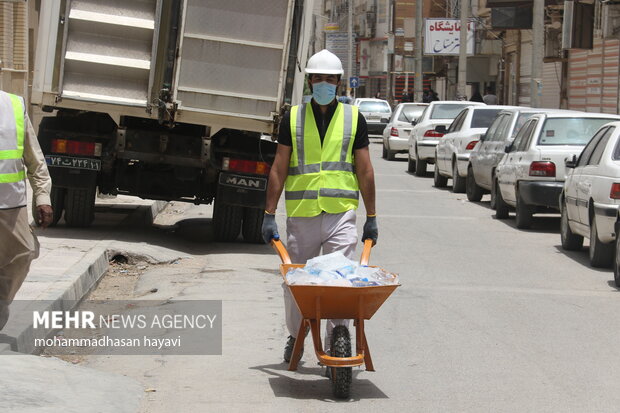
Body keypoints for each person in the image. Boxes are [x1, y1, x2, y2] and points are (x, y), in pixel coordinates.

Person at [261, 49, 377, 363]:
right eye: (318, 78)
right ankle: (295, 334)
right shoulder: (294, 117)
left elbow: (365, 170)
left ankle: (337, 335)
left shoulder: (354, 118)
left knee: (340, 281)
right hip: (303, 216)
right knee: (297, 282)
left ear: (339, 83)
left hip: (341, 213)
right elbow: (279, 167)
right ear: (310, 81)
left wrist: (372, 217)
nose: (324, 84)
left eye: (330, 79)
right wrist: (269, 214)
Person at [0, 90, 53, 330]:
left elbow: (34, 157)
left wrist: (42, 196)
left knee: (23, 253)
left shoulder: (13, 104)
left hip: (10, 203)